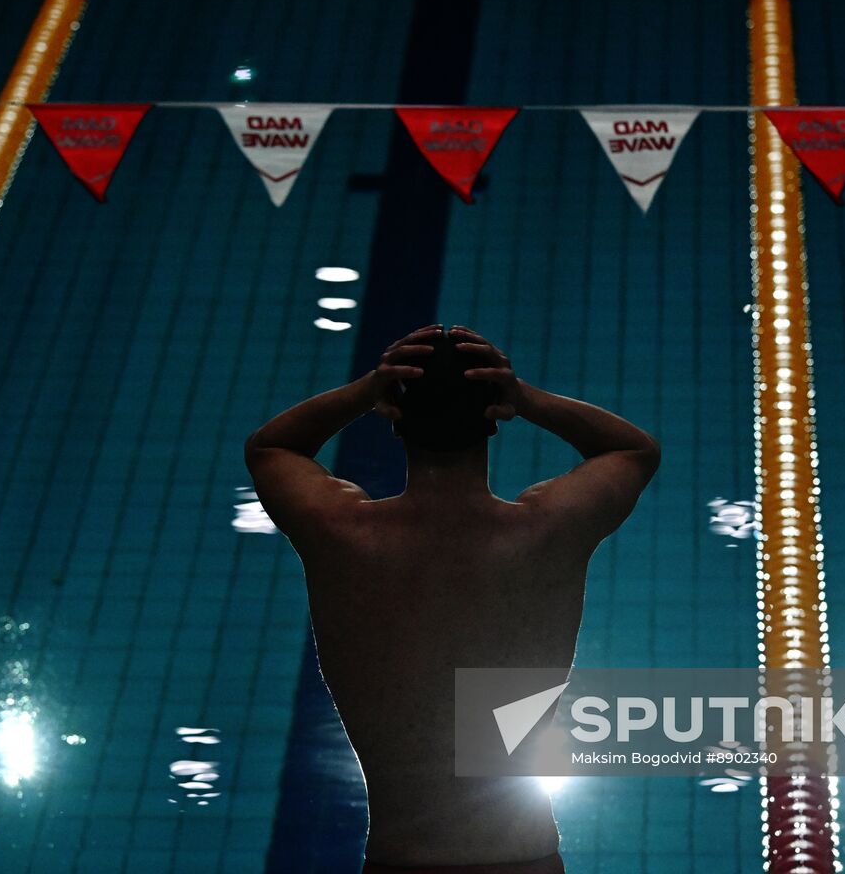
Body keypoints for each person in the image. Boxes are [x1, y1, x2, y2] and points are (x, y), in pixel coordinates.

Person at [244, 324, 661, 873]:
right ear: (493, 417)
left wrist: (366, 391)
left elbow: (270, 447)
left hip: (400, 861)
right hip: (524, 859)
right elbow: (633, 449)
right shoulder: (546, 532)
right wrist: (526, 398)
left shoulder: (340, 532)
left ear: (394, 417)